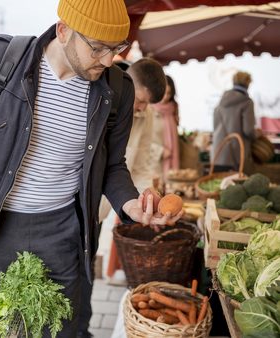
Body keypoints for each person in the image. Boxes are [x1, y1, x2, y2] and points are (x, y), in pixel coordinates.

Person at [0, 1, 182, 337]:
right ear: (64, 30)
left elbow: (113, 165)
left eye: (116, 49)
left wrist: (132, 207)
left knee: (65, 328)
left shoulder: (118, 90)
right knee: (8, 328)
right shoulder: (3, 60)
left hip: (64, 230)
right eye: (97, 48)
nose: (107, 60)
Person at [78, 57, 167, 338]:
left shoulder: (146, 115)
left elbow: (140, 167)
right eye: (140, 100)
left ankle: (83, 328)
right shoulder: (101, 91)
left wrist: (146, 203)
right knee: (68, 270)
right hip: (72, 199)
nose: (140, 108)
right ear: (130, 80)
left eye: (146, 105)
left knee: (88, 267)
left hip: (103, 207)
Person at [212, 71, 257, 174]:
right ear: (248, 83)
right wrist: (257, 135)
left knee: (217, 187)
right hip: (236, 155)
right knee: (234, 188)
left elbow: (215, 127)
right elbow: (248, 130)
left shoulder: (220, 102)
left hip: (218, 153)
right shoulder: (247, 102)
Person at [150, 74, 180, 190]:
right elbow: (143, 140)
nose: (166, 97)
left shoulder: (173, 109)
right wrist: (161, 151)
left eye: (169, 93)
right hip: (155, 163)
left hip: (173, 159)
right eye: (163, 93)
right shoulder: (148, 110)